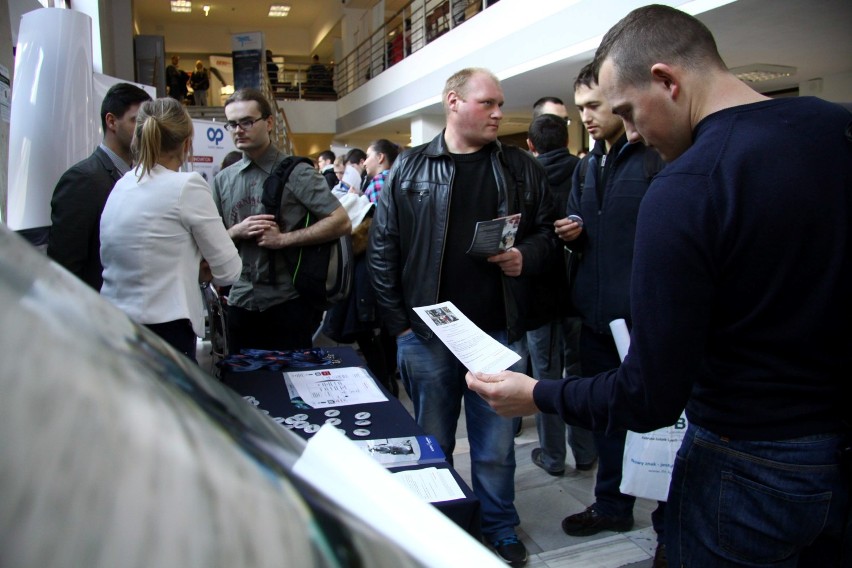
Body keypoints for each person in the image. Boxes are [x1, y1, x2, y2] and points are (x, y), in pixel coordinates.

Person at [466, 5, 851, 567]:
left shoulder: (686, 185)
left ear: (668, 81)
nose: (634, 130)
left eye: (628, 110)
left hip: (747, 462)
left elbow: (648, 396)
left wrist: (536, 394)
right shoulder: (833, 127)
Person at [368, 67, 557, 567]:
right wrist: (399, 324)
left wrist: (527, 257)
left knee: (495, 447)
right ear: (453, 102)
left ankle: (499, 527)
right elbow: (383, 246)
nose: (499, 112)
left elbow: (546, 233)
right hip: (426, 335)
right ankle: (440, 525)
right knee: (433, 441)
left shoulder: (519, 167)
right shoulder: (409, 168)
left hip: (495, 333)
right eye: (487, 103)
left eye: (501, 104)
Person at [99, 97, 241, 361]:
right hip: (166, 330)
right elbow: (229, 270)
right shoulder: (187, 186)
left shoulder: (122, 185)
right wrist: (196, 264)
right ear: (187, 143)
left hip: (114, 324)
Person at [212, 88, 350, 353]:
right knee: (246, 387)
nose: (238, 130)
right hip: (239, 302)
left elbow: (341, 221)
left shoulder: (297, 172)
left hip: (288, 303)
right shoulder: (223, 180)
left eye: (247, 121)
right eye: (232, 124)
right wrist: (237, 231)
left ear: (270, 122)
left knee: (293, 387)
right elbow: (212, 240)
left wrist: (283, 239)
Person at [522, 112, 596, 478]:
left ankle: (552, 456)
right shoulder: (587, 170)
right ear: (568, 141)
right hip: (578, 289)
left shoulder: (523, 177)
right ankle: (585, 452)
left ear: (531, 145)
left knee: (544, 377)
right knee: (579, 374)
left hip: (538, 291)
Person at [47, 82, 152, 291]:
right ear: (112, 121)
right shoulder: (83, 179)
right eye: (137, 121)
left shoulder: (137, 176)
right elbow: (64, 267)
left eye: (150, 123)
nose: (146, 131)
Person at [362, 139, 398, 203]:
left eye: (368, 156)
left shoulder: (379, 180)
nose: (364, 163)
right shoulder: (395, 178)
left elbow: (379, 211)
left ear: (380, 157)